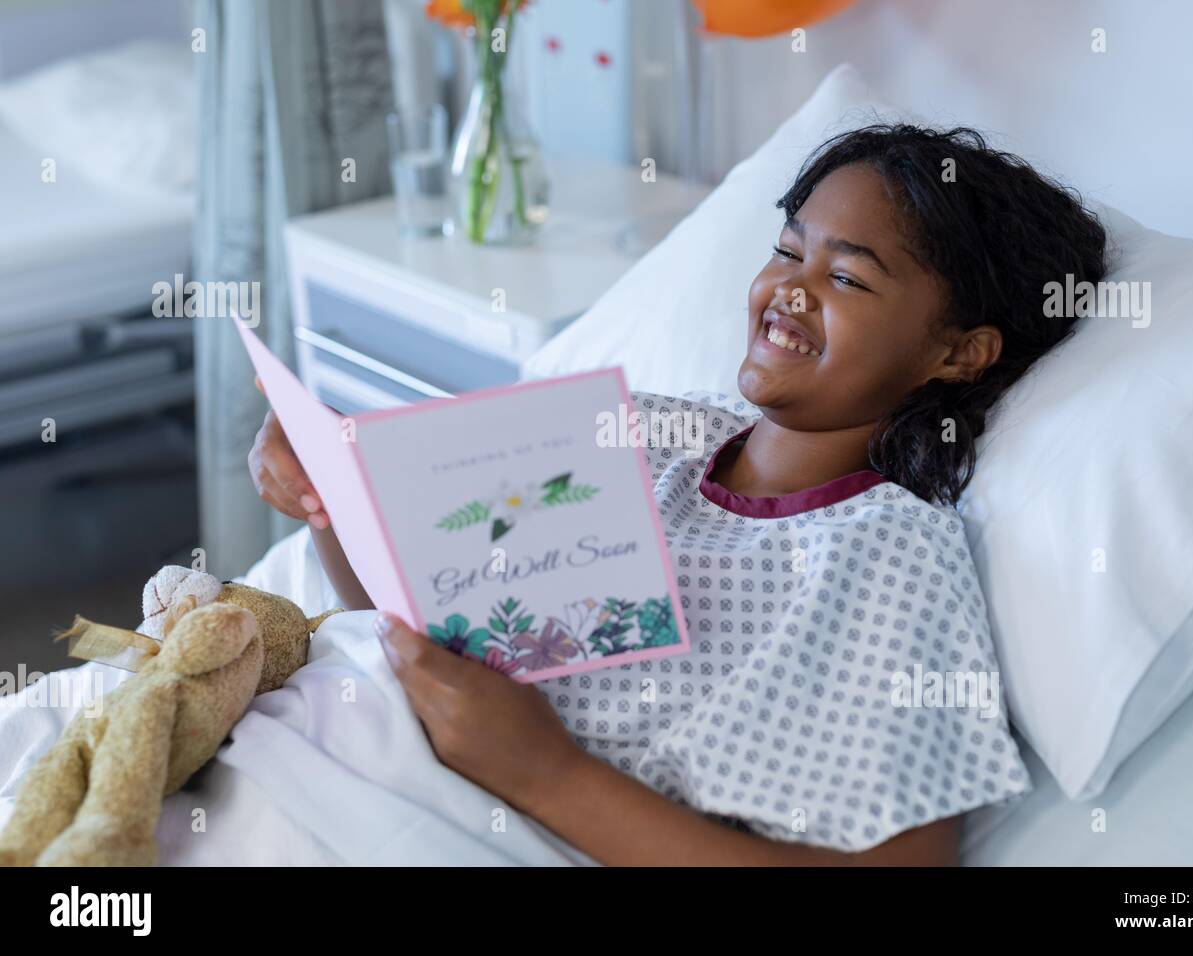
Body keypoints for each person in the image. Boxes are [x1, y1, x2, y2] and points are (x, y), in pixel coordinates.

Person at [248, 124, 1107, 865]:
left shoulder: (887, 559)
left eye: (848, 279)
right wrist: (327, 497)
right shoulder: (642, 429)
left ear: (958, 354)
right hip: (308, 738)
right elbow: (405, 615)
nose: (790, 289)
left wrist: (542, 772)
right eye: (787, 250)